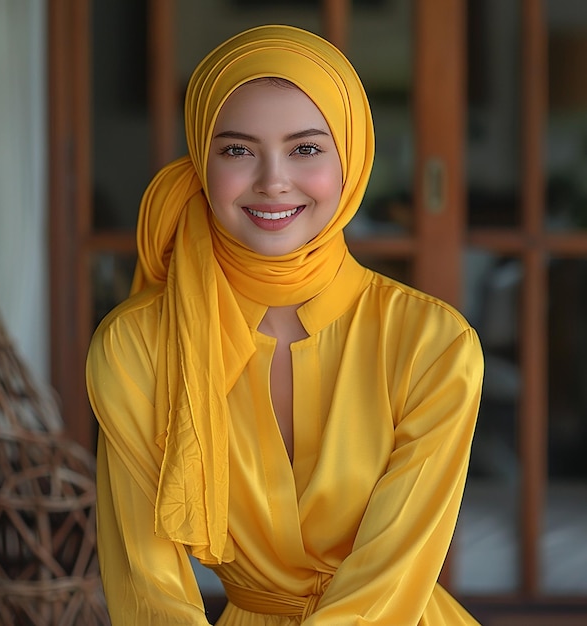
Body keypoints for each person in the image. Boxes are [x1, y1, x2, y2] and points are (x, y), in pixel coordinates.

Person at [86, 24, 484, 625]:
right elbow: (148, 584)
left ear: (350, 159)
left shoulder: (433, 345)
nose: (273, 181)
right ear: (201, 160)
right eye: (238, 149)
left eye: (305, 148)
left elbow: (392, 574)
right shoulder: (136, 346)